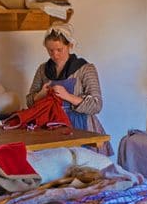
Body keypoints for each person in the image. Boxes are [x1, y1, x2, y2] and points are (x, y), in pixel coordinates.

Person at [26, 23, 113, 156]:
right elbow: (30, 103)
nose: (54, 54)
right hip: (51, 128)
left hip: (81, 127)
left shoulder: (86, 69)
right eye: (50, 50)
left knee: (85, 169)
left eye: (59, 49)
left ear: (70, 46)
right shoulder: (43, 70)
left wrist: (67, 96)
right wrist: (40, 95)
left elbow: (97, 105)